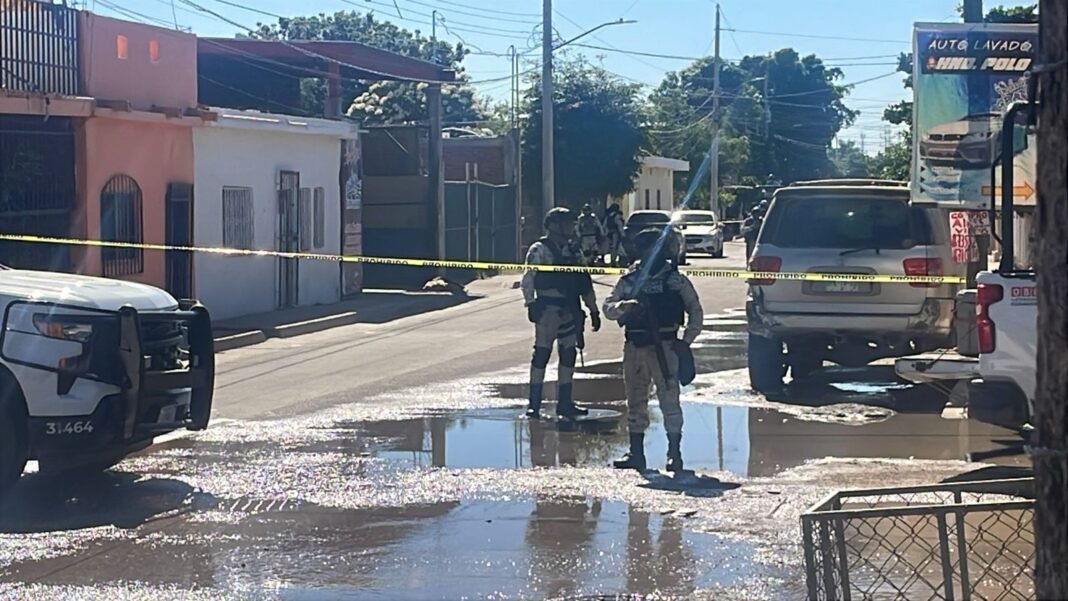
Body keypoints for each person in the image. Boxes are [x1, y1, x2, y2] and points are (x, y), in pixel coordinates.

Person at [603, 228, 704, 472]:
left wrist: (685, 342)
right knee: (635, 400)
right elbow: (608, 307)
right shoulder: (629, 280)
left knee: (669, 400)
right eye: (649, 248)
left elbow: (696, 312)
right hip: (635, 348)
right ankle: (636, 454)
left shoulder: (675, 281)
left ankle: (674, 454)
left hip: (667, 347)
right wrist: (624, 307)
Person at [522, 207, 602, 420]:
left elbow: (584, 282)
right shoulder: (540, 250)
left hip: (570, 310)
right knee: (541, 354)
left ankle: (565, 403)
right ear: (554, 225)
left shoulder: (574, 251)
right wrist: (531, 303)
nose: (570, 227)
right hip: (548, 309)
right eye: (566, 223)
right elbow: (528, 278)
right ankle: (534, 404)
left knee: (569, 354)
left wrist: (593, 310)